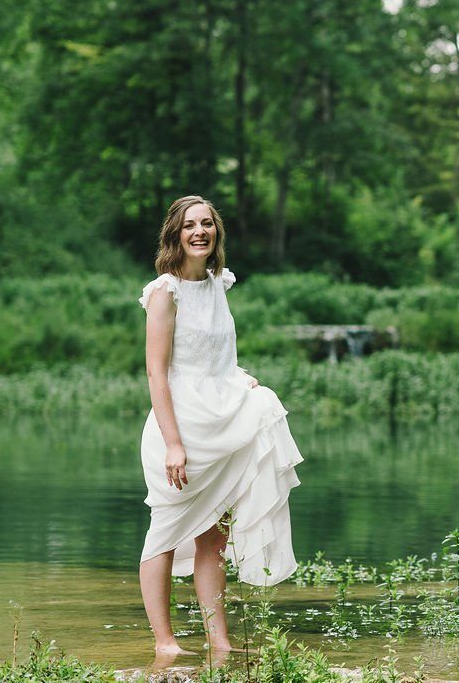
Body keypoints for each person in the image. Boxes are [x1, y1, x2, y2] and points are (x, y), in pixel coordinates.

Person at [137, 195, 303, 655]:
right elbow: (157, 371)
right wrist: (174, 444)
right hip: (181, 428)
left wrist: (237, 381)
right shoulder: (163, 292)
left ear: (216, 232)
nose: (199, 232)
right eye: (190, 225)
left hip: (221, 421)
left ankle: (220, 642)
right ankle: (165, 644)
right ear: (175, 234)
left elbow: (217, 355)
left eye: (207, 224)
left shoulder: (217, 283)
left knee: (214, 537)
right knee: (165, 531)